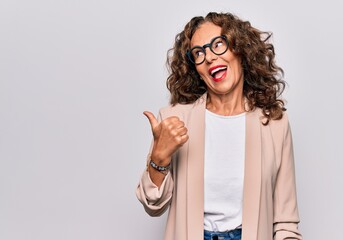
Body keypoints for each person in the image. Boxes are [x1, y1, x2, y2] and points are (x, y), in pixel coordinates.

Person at [136, 12, 302, 240]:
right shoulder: (175, 119)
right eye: (198, 53)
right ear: (195, 68)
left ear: (240, 50)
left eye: (218, 44)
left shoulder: (274, 123)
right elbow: (153, 204)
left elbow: (286, 223)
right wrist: (159, 159)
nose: (210, 57)